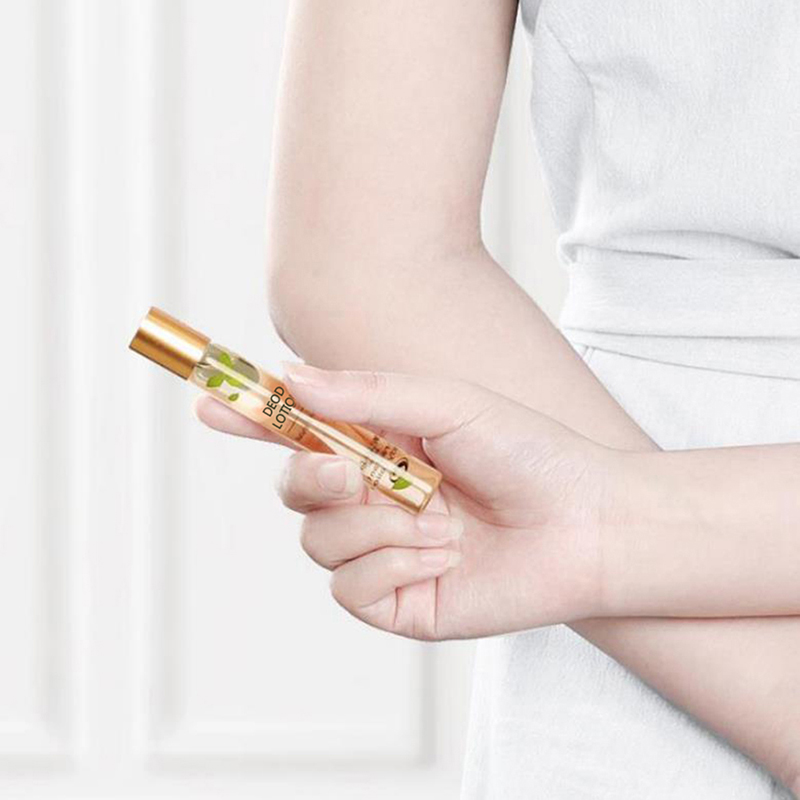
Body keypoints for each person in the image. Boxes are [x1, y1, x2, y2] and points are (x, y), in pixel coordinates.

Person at [194, 1, 800, 797]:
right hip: (623, 553)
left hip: (614, 539)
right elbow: (360, 266)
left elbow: (361, 264)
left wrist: (602, 532)